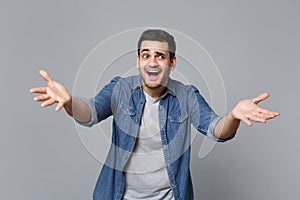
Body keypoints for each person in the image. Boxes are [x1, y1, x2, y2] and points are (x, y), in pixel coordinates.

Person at [30, 29, 279, 200]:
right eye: (146, 55)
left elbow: (216, 130)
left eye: (160, 56)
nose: (152, 62)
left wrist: (233, 116)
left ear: (172, 63)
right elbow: (91, 113)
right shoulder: (120, 88)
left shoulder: (187, 95)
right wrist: (70, 102)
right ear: (138, 60)